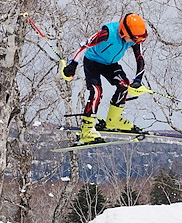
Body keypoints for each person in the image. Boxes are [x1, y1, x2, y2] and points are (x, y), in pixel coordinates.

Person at [60, 13, 148, 144]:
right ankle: (87, 130)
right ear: (124, 32)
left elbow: (139, 58)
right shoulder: (107, 33)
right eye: (134, 39)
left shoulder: (134, 38)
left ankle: (114, 121)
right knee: (96, 91)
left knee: (124, 85)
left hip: (110, 65)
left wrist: (138, 81)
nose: (136, 42)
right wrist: (73, 64)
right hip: (92, 62)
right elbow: (85, 45)